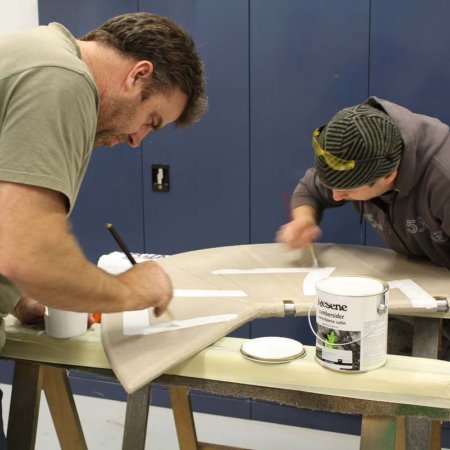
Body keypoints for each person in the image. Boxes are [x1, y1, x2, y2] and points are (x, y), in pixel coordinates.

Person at [0, 12, 207, 446]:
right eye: (150, 120)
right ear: (138, 74)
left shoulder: (35, 56)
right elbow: (29, 252)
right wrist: (133, 289)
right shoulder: (62, 78)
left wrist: (19, 297)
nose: (137, 141)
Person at [277, 96, 450, 358]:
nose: (335, 196)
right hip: (421, 284)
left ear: (389, 176)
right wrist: (304, 219)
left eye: (346, 190)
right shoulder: (358, 149)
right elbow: (312, 190)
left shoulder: (444, 179)